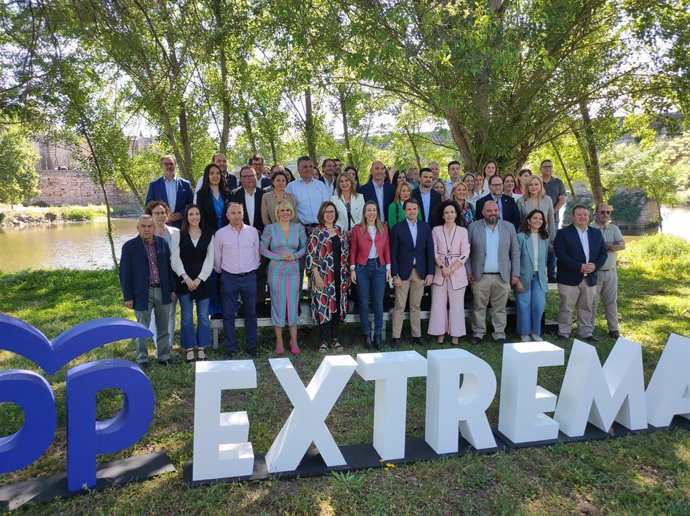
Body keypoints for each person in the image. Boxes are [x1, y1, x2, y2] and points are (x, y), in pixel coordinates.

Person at [119, 214, 177, 366]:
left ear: (154, 227)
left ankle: (164, 357)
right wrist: (128, 297)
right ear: (137, 228)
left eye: (149, 226)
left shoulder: (163, 243)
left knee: (163, 327)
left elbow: (169, 269)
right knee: (141, 329)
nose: (146, 229)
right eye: (143, 226)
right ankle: (142, 359)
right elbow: (125, 274)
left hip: (162, 290)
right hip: (142, 292)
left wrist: (172, 289)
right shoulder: (130, 247)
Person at [466, 200, 520, 345]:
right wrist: (468, 270)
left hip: (502, 276)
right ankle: (478, 333)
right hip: (480, 275)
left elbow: (515, 251)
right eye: (489, 211)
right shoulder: (473, 227)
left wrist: (515, 273)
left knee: (500, 308)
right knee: (478, 307)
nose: (493, 213)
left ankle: (499, 333)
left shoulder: (508, 227)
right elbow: (466, 252)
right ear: (483, 212)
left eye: (495, 210)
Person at [554, 204, 608, 342]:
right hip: (569, 277)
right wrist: (579, 267)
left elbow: (603, 252)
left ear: (589, 217)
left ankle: (586, 333)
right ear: (573, 216)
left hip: (590, 277)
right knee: (566, 307)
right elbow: (561, 254)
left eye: (585, 215)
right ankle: (564, 332)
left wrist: (595, 266)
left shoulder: (596, 233)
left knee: (587, 306)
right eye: (579, 215)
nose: (582, 217)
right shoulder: (563, 233)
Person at [260, 200, 307, 355]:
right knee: (278, 304)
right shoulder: (270, 229)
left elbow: (304, 248)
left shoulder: (298, 228)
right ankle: (279, 341)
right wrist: (279, 256)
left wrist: (294, 255)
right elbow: (262, 249)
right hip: (276, 270)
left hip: (293, 269)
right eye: (282, 210)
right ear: (277, 212)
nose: (285, 213)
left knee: (293, 303)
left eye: (288, 210)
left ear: (292, 212)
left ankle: (294, 340)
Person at [214, 202, 261, 358]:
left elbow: (256, 254)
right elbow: (217, 257)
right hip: (229, 277)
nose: (236, 216)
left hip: (249, 277)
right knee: (228, 315)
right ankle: (231, 348)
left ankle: (252, 346)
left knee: (250, 313)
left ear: (243, 214)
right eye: (233, 213)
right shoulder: (220, 234)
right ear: (227, 215)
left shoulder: (253, 232)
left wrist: (252, 269)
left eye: (239, 212)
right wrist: (223, 273)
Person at [170, 205, 214, 362]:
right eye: (191, 214)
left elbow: (210, 259)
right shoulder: (178, 235)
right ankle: (189, 347)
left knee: (203, 316)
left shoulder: (209, 235)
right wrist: (186, 278)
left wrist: (199, 278)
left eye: (197, 213)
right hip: (184, 281)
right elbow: (174, 259)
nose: (194, 217)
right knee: (187, 316)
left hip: (203, 280)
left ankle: (201, 347)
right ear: (186, 217)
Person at [390, 198, 434, 347]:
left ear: (418, 210)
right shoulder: (397, 228)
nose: (412, 211)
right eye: (409, 209)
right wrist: (395, 274)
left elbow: (430, 252)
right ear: (404, 211)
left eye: (415, 209)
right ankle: (396, 336)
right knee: (400, 306)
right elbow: (393, 253)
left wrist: (430, 273)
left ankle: (417, 335)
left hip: (420, 272)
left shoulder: (425, 227)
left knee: (416, 306)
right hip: (402, 273)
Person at [306, 201, 349, 353]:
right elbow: (311, 256)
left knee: (336, 307)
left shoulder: (340, 231)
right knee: (323, 306)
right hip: (323, 277)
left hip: (340, 276)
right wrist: (316, 277)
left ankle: (336, 338)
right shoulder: (317, 232)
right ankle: (323, 340)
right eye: (326, 212)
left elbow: (346, 254)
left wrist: (347, 275)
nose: (329, 214)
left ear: (335, 214)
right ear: (322, 215)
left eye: (332, 211)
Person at [349, 201, 391, 349]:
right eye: (369, 210)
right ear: (364, 213)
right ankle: (366, 334)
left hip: (379, 267)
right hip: (362, 268)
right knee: (364, 301)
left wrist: (388, 269)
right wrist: (352, 269)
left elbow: (386, 249)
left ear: (377, 212)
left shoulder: (383, 228)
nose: (372, 213)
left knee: (378, 302)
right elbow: (353, 249)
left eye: (374, 210)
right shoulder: (358, 229)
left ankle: (378, 334)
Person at [287, 156, 332, 291]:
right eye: (305, 167)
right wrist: (301, 228)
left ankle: (319, 299)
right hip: (302, 231)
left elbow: (327, 207)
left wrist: (322, 227)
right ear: (299, 169)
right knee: (300, 266)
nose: (308, 169)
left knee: (320, 265)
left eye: (310, 166)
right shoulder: (291, 187)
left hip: (321, 230)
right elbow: (290, 211)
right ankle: (298, 299)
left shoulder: (320, 185)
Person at [428, 201, 470, 345]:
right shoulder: (436, 230)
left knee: (457, 304)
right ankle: (439, 333)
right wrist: (442, 267)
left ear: (456, 214)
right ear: (442, 215)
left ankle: (456, 334)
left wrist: (451, 268)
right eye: (446, 212)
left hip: (457, 272)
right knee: (438, 304)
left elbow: (465, 252)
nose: (449, 215)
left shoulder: (463, 231)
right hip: (440, 271)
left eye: (452, 212)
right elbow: (433, 251)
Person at [144, 200, 179, 349]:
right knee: (153, 314)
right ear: (150, 215)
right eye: (156, 213)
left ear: (167, 215)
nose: (160, 216)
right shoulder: (145, 234)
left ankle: (168, 346)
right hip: (153, 279)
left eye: (163, 213)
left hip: (173, 278)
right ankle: (159, 346)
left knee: (170, 313)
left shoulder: (176, 233)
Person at [590, 204, 625, 338]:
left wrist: (608, 246)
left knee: (611, 301)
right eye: (602, 212)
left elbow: (622, 245)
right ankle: (589, 329)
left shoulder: (614, 228)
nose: (605, 215)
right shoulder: (590, 228)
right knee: (592, 302)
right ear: (596, 213)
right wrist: (610, 247)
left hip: (611, 272)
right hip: (595, 272)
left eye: (608, 213)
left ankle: (613, 329)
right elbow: (591, 248)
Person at [514, 209, 549, 342]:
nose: (538, 221)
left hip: (539, 277)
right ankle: (524, 333)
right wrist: (517, 279)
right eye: (535, 218)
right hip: (523, 277)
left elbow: (545, 259)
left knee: (539, 304)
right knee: (524, 304)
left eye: (540, 219)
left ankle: (535, 332)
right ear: (528, 221)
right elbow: (515, 258)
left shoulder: (544, 237)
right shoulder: (521, 236)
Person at [145, 155, 194, 228]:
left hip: (182, 226)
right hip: (161, 226)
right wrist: (162, 215)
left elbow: (192, 204)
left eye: (171, 164)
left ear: (175, 165)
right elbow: (148, 205)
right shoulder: (154, 185)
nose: (169, 166)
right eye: (166, 164)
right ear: (161, 166)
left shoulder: (185, 184)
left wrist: (181, 214)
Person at [540, 159, 567, 282]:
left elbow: (562, 199)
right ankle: (539, 272)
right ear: (541, 169)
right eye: (545, 167)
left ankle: (551, 275)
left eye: (550, 166)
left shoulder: (558, 182)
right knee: (539, 245)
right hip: (538, 220)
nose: (548, 169)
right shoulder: (537, 182)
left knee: (552, 246)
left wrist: (552, 212)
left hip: (553, 220)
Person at [516, 175, 556, 248]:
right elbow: (519, 222)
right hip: (526, 238)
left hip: (543, 238)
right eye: (530, 185)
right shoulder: (520, 201)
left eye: (536, 184)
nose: (533, 187)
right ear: (527, 187)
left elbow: (551, 220)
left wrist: (552, 241)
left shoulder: (547, 199)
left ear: (541, 185)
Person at [196, 163, 232, 234]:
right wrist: (212, 233)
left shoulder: (228, 193)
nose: (215, 176)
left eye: (218, 173)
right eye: (212, 173)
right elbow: (201, 216)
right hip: (210, 234)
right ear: (207, 176)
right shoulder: (201, 194)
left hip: (229, 233)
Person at [332, 171, 364, 236]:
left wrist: (353, 231)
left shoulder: (360, 197)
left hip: (357, 234)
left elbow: (362, 217)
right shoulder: (334, 199)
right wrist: (343, 232)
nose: (344, 183)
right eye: (341, 181)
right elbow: (333, 219)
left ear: (351, 182)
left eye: (347, 180)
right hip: (340, 235)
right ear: (338, 184)